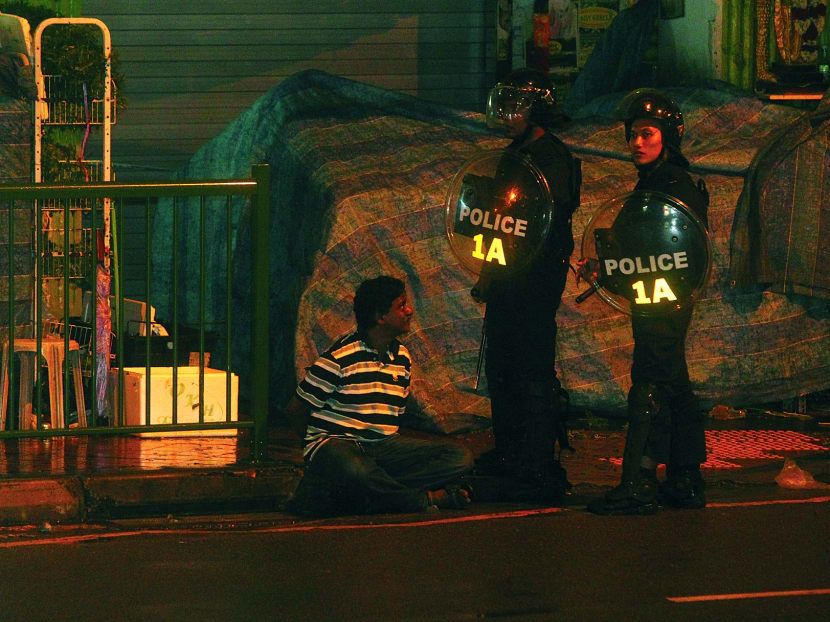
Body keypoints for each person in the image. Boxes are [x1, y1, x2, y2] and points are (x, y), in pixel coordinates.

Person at [587, 88, 709, 516]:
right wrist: (606, 268)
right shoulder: (657, 184)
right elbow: (630, 246)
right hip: (656, 295)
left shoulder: (671, 187)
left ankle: (638, 482)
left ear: (668, 137)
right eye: (632, 135)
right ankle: (684, 477)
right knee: (673, 379)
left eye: (646, 133)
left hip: (663, 298)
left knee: (651, 380)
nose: (636, 143)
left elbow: (684, 249)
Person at [472, 68, 581, 502]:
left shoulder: (552, 157)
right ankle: (508, 449)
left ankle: (538, 458)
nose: (508, 115)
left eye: (517, 106)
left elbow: (541, 215)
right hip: (505, 276)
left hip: (535, 281)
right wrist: (486, 272)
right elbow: (499, 222)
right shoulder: (513, 154)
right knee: (501, 365)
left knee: (532, 368)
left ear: (538, 109)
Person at [283, 275, 474, 514]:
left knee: (459, 457)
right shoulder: (339, 358)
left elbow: (394, 418)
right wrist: (317, 449)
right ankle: (421, 500)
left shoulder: (402, 357)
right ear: (380, 317)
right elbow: (295, 410)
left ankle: (367, 496)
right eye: (401, 305)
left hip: (383, 446)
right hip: (340, 444)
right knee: (355, 468)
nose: (409, 311)